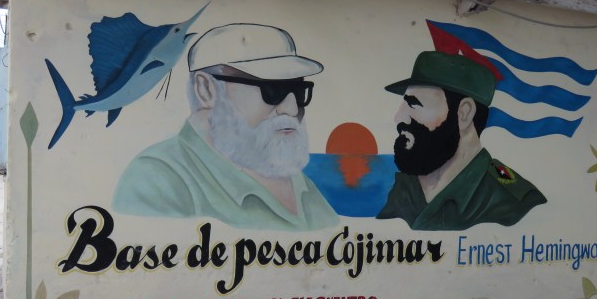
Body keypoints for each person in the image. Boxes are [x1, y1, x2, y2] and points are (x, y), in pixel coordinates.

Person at [113, 23, 338, 231]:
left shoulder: (297, 181)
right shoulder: (158, 178)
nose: (291, 108)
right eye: (272, 89)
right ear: (206, 90)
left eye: (298, 91)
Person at [377, 50, 546, 231]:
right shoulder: (400, 190)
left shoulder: (512, 201)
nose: (399, 117)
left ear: (464, 113)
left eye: (414, 104)